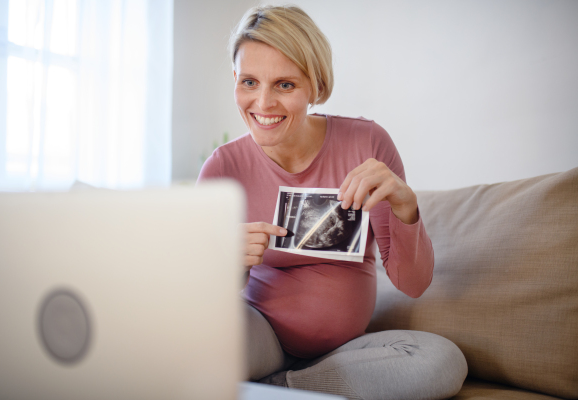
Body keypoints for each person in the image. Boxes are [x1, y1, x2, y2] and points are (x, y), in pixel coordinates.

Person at [198, 5, 467, 400]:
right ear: (235, 80)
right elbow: (202, 296)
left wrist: (405, 207)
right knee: (189, 335)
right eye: (250, 82)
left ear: (315, 85)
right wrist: (231, 263)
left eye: (285, 85)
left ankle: (280, 388)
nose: (264, 103)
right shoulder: (224, 167)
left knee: (440, 361)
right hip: (260, 333)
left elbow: (412, 284)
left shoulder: (367, 145)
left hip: (346, 353)